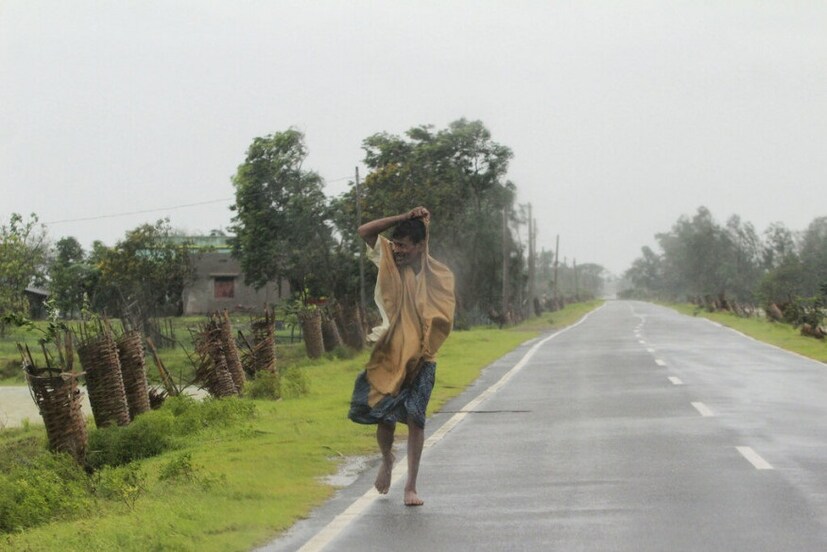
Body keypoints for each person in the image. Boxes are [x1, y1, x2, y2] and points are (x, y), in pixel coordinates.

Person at [348, 206, 455, 506]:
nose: (398, 251)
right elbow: (364, 231)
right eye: (395, 244)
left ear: (420, 246)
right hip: (390, 354)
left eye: (405, 245)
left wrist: (420, 347)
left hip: (422, 358)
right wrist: (402, 218)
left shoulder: (439, 275)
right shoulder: (388, 260)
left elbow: (442, 319)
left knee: (415, 419)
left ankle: (411, 487)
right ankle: (387, 458)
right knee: (384, 419)